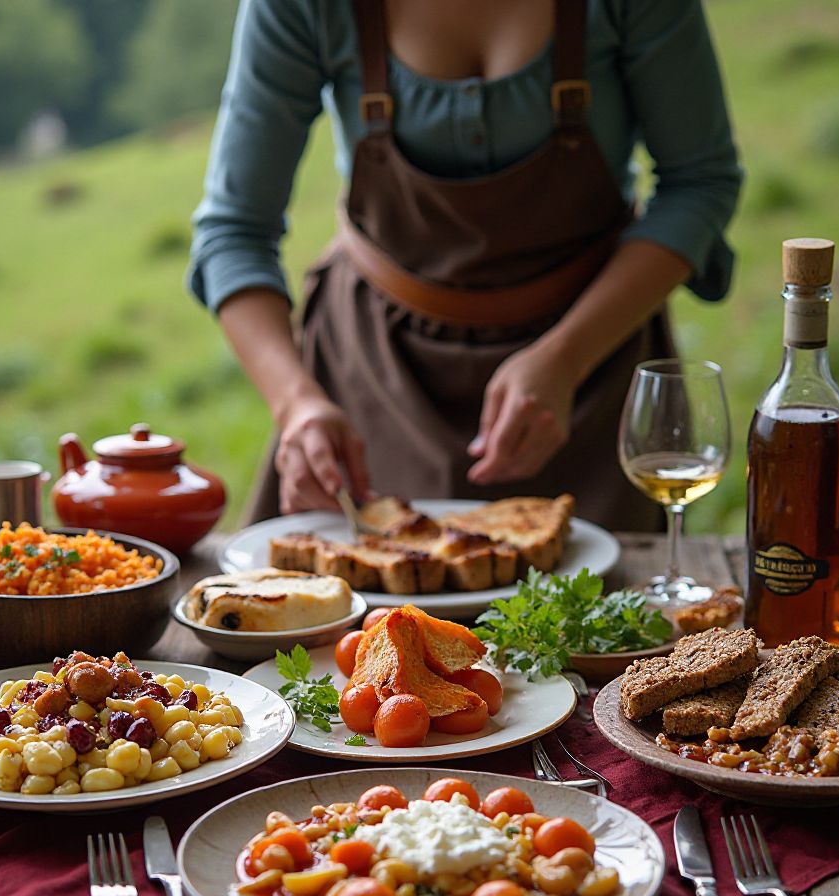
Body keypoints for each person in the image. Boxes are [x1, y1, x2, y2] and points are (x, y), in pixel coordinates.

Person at [188, 0, 742, 528]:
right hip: (370, 380)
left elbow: (699, 183)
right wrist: (298, 405)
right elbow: (233, 230)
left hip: (592, 378)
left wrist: (568, 357)